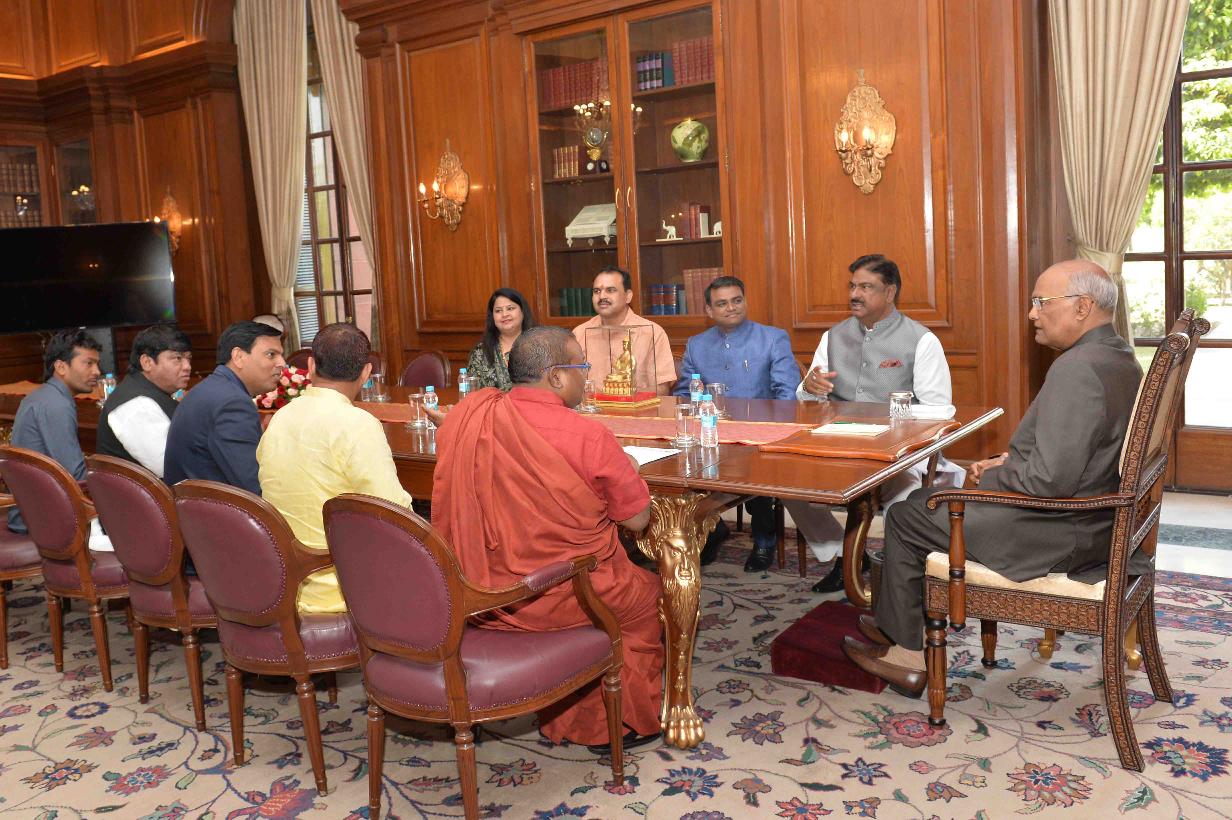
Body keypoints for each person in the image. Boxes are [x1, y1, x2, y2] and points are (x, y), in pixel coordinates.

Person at [844, 261, 1141, 696]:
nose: (1033, 313)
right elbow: (1088, 449)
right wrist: (1008, 462)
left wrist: (998, 474)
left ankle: (907, 655)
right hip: (1095, 520)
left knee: (909, 514)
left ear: (1082, 307)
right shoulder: (1119, 357)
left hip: (1057, 530)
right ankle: (897, 621)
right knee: (925, 500)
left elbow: (1050, 483)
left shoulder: (1077, 367)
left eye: (1042, 302)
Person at [432, 325, 663, 750]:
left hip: (486, 591)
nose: (586, 377)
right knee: (648, 595)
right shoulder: (587, 435)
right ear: (556, 376)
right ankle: (612, 725)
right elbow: (637, 520)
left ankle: (559, 710)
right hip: (569, 593)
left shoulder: (474, 419)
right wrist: (628, 468)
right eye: (582, 367)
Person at [786, 254, 965, 593]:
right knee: (789, 485)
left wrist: (893, 422)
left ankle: (899, 575)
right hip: (838, 445)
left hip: (898, 453)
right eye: (852, 286)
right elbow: (809, 400)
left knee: (905, 497)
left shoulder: (921, 339)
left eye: (866, 287)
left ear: (890, 292)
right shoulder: (832, 336)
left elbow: (940, 411)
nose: (855, 294)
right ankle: (843, 554)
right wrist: (808, 387)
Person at [258, 323, 413, 613]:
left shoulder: (279, 418)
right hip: (343, 587)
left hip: (283, 581)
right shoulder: (357, 424)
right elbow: (394, 513)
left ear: (310, 366)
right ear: (366, 373)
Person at [674, 275, 800, 571]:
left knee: (754, 469)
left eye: (736, 300)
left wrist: (770, 432)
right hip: (710, 432)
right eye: (722, 304)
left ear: (745, 302)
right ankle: (711, 528)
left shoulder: (772, 338)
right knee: (682, 466)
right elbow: (685, 393)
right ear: (709, 310)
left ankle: (764, 540)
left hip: (759, 434)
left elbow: (786, 393)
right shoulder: (697, 344)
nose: (731, 308)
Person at [164, 321, 284, 494]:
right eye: (271, 355)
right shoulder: (233, 403)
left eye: (281, 355)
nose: (282, 363)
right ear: (239, 357)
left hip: (192, 503)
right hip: (214, 508)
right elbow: (255, 486)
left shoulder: (212, 388)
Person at [6, 330, 101, 534]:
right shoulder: (56, 404)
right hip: (42, 520)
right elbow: (75, 476)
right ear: (61, 367)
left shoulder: (44, 396)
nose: (97, 371)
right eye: (89, 363)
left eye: (97, 364)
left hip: (34, 512)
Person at [96, 324, 193, 477]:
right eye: (177, 358)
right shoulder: (135, 406)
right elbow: (170, 466)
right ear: (147, 362)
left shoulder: (148, 392)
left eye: (188, 358)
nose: (187, 366)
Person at [573, 267, 676, 395]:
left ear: (628, 296)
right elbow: (571, 384)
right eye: (597, 291)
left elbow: (661, 390)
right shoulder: (579, 333)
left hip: (635, 407)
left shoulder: (652, 333)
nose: (602, 296)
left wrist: (615, 396)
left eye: (610, 290)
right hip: (591, 407)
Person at [466, 288, 536, 390]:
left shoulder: (541, 346)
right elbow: (472, 392)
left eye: (510, 308)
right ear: (492, 317)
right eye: (498, 311)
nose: (504, 314)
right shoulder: (481, 352)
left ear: (523, 311)